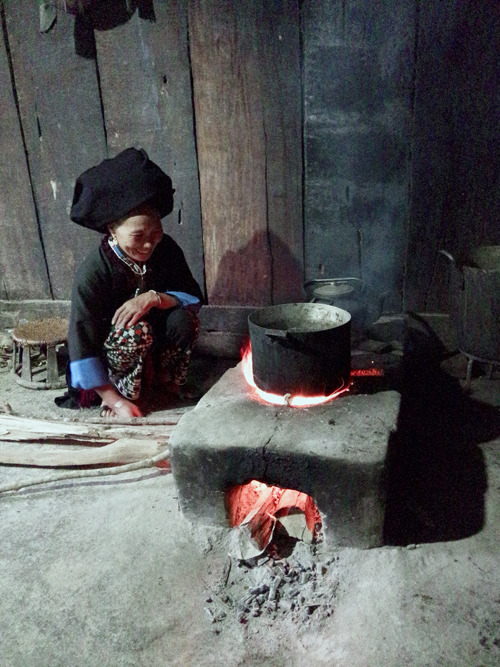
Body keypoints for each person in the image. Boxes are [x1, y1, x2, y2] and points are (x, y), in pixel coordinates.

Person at [63, 147, 204, 419]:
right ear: (112, 229)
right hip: (114, 352)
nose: (149, 244)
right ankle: (122, 393)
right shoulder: (93, 271)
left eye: (156, 233)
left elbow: (192, 296)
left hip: (153, 340)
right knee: (134, 331)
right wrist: (114, 402)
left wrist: (154, 297)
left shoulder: (166, 249)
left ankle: (165, 381)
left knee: (184, 321)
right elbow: (81, 342)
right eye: (138, 236)